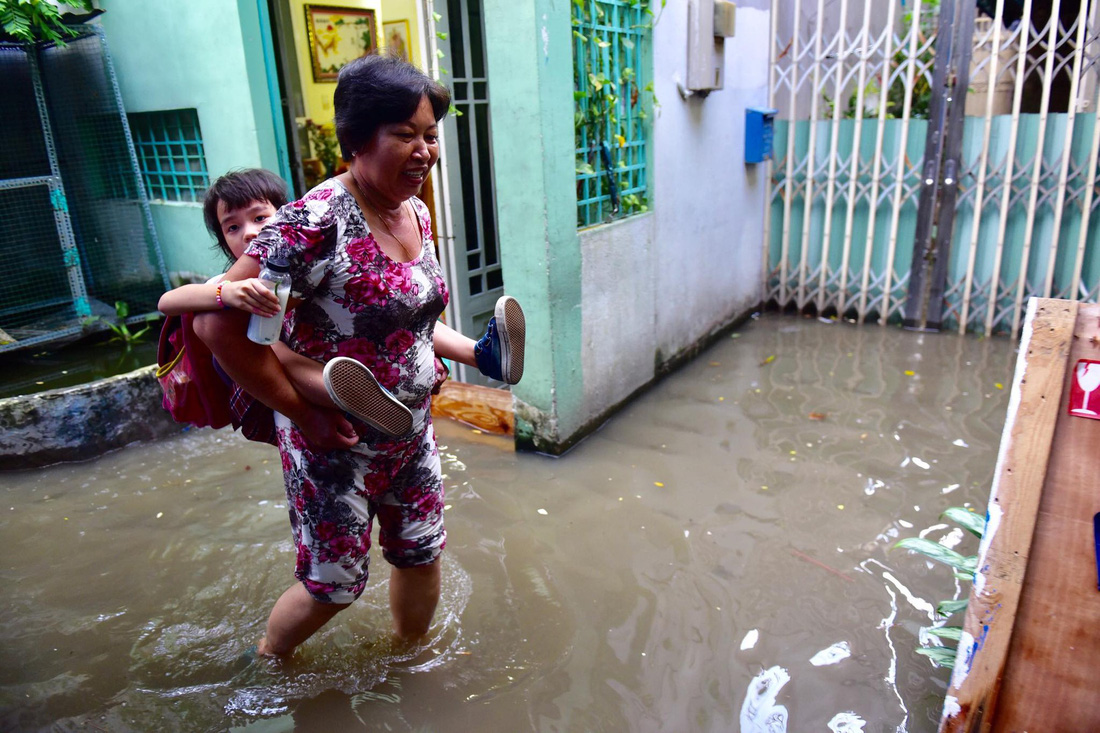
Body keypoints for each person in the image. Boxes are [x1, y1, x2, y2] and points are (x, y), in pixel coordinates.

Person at [193, 54, 525, 657]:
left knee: (422, 552)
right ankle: (269, 661)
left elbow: (409, 322)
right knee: (333, 585)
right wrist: (306, 414)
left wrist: (468, 357)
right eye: (404, 134)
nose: (424, 150)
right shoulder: (312, 223)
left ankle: (410, 659)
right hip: (335, 438)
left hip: (410, 428)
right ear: (355, 140)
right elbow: (216, 326)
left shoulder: (416, 211)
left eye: (430, 134)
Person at [159, 168, 415, 438]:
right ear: (223, 240)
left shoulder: (306, 270)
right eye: (233, 227)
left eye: (259, 218)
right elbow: (167, 302)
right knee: (278, 351)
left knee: (289, 352)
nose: (249, 233)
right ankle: (349, 396)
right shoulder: (232, 280)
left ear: (285, 220)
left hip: (300, 371)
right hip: (257, 375)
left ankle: (366, 397)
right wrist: (226, 293)